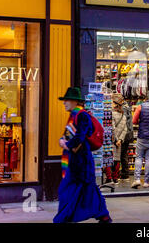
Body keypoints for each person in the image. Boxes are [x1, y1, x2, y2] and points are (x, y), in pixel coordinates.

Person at [54, 87, 112, 223]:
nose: (64, 103)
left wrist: (66, 144)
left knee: (68, 190)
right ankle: (103, 215)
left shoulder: (82, 115)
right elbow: (72, 136)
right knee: (88, 190)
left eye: (66, 100)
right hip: (77, 161)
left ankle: (63, 218)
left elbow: (80, 136)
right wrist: (64, 140)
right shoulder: (74, 115)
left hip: (80, 162)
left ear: (75, 101)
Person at [106, 93, 128, 185]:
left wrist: (116, 139)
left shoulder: (111, 114)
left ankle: (109, 178)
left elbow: (112, 128)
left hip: (112, 140)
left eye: (112, 102)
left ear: (115, 103)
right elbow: (125, 129)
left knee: (108, 158)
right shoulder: (123, 116)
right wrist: (120, 140)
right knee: (117, 159)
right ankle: (115, 178)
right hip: (119, 142)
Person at [120, 100, 134, 180]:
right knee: (124, 154)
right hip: (129, 134)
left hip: (125, 134)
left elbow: (123, 123)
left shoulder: (123, 109)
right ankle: (125, 172)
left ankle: (125, 173)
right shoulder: (127, 107)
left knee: (122, 154)